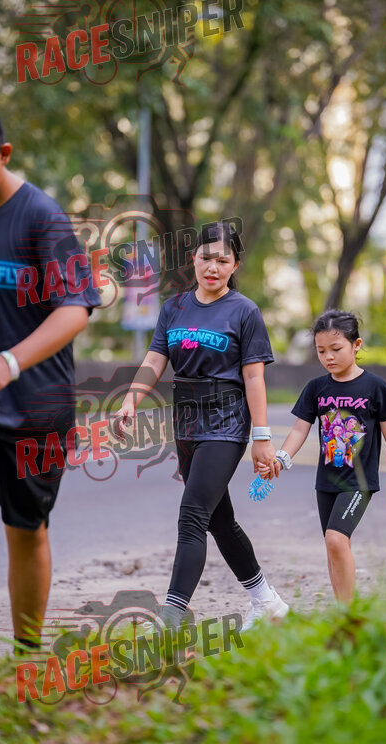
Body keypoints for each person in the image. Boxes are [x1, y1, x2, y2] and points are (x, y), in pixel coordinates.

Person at [0, 97, 100, 649]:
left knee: (25, 530)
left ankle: (26, 655)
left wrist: (10, 361)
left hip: (37, 401)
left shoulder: (41, 216)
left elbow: (75, 308)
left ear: (4, 153)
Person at [117, 221, 289, 630]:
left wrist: (262, 437)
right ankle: (266, 600)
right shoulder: (173, 308)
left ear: (235, 265)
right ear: (193, 259)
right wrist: (130, 399)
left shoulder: (244, 311)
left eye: (223, 260)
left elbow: (254, 378)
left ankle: (171, 619)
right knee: (218, 519)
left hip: (226, 422)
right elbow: (155, 359)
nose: (213, 267)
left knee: (192, 515)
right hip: (186, 423)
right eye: (206, 258)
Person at [259, 309, 386, 604]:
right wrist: (280, 459)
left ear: (356, 345)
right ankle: (343, 612)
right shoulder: (316, 388)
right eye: (321, 351)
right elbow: (299, 430)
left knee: (335, 538)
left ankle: (349, 612)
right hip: (326, 482)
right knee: (335, 546)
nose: (328, 357)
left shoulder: (375, 387)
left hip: (358, 483)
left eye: (336, 348)